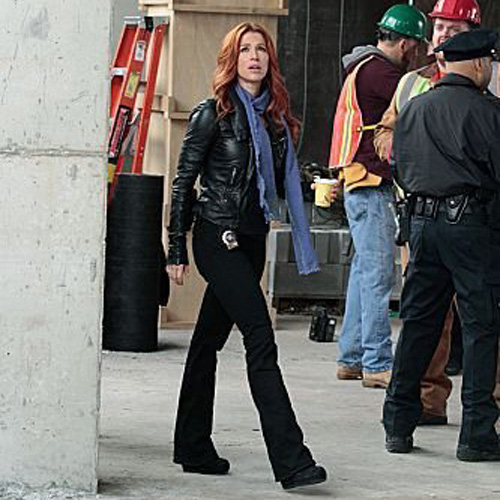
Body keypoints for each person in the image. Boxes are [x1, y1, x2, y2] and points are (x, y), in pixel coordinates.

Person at [166, 22, 327, 490]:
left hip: (253, 240)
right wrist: (175, 248)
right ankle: (292, 460)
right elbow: (182, 183)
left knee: (207, 341)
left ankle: (192, 445)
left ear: (269, 60)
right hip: (218, 236)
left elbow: (278, 183)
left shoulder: (275, 121)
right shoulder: (212, 113)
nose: (253, 56)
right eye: (244, 50)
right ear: (231, 59)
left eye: (261, 49)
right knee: (260, 335)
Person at [383, 29, 500, 461]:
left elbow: (399, 166)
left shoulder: (414, 107)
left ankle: (398, 425)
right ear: (479, 64)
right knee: (481, 326)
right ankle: (476, 434)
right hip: (470, 227)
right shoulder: (489, 112)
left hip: (421, 225)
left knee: (418, 323)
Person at [329, 4, 427, 389]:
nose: (418, 52)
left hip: (359, 180)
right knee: (377, 274)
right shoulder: (383, 74)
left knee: (363, 272)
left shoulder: (363, 66)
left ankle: (352, 357)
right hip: (371, 182)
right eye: (417, 45)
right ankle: (376, 362)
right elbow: (421, 104)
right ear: (405, 43)